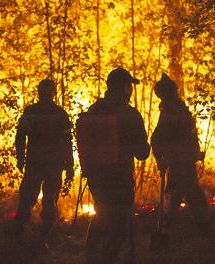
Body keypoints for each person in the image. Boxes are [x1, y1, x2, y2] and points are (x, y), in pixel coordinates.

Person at [78, 68, 150, 263]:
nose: (131, 90)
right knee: (119, 223)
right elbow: (142, 153)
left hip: (96, 177)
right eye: (130, 85)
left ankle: (90, 256)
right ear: (125, 88)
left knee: (102, 214)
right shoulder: (129, 114)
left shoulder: (94, 109)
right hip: (120, 178)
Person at [14, 79, 74, 239]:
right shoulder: (58, 114)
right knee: (41, 199)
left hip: (42, 163)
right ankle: (37, 234)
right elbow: (20, 137)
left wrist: (69, 165)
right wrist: (69, 166)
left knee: (40, 199)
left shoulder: (33, 112)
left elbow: (67, 141)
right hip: (46, 164)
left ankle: (34, 234)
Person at [151, 73, 208, 235]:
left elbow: (158, 138)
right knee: (185, 195)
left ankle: (165, 231)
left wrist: (160, 156)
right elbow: (162, 137)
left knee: (177, 195)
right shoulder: (178, 109)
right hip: (182, 161)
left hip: (179, 161)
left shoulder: (172, 110)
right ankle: (199, 231)